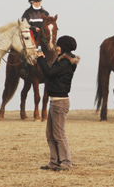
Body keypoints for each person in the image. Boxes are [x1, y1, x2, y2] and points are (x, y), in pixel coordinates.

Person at [38, 35, 80, 172]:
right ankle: (54, 162)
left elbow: (49, 73)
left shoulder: (65, 63)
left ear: (64, 47)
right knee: (50, 134)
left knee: (59, 134)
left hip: (60, 103)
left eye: (58, 45)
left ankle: (67, 162)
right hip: (54, 101)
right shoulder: (61, 60)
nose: (56, 47)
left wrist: (41, 59)